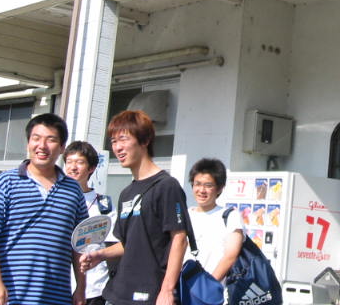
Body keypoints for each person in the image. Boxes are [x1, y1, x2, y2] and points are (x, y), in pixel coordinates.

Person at [0, 113, 88, 305]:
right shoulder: (5, 183)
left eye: (51, 140)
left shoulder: (73, 190)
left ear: (61, 148)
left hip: (56, 296)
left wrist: (81, 288)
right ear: (28, 143)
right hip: (9, 295)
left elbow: (80, 242)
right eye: (36, 139)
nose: (42, 146)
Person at [81, 110, 188, 305]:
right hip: (119, 292)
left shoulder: (166, 186)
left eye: (123, 139)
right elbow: (127, 243)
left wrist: (167, 290)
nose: (118, 148)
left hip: (150, 293)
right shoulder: (126, 193)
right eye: (113, 141)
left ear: (145, 140)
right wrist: (100, 254)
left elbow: (179, 239)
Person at [64, 141, 115, 305]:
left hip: (94, 287)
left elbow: (114, 244)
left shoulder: (104, 205)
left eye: (79, 162)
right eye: (69, 162)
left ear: (91, 168)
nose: (73, 167)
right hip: (59, 285)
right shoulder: (55, 200)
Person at [186, 158, 244, 282]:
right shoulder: (185, 215)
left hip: (212, 293)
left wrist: (208, 286)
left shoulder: (230, 216)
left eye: (208, 185)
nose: (201, 190)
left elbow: (230, 255)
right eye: (197, 184)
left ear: (220, 188)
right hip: (182, 289)